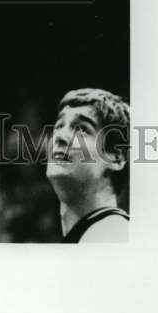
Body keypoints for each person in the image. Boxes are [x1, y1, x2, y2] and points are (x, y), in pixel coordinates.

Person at [46, 87, 130, 243]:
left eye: (82, 129)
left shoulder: (115, 236)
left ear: (116, 158)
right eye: (59, 126)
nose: (60, 136)